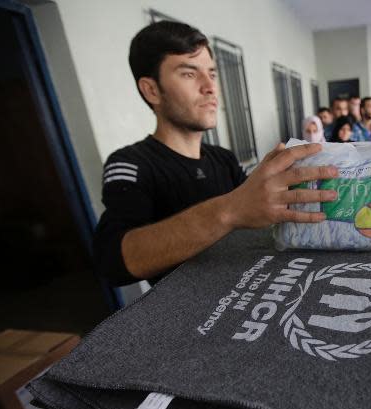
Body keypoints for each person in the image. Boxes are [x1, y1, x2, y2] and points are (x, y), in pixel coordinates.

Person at [93, 21, 337, 287]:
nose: (209, 86)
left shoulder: (223, 158)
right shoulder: (131, 164)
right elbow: (113, 261)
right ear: (151, 90)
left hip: (250, 296)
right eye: (189, 74)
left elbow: (257, 214)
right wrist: (230, 209)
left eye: (211, 73)